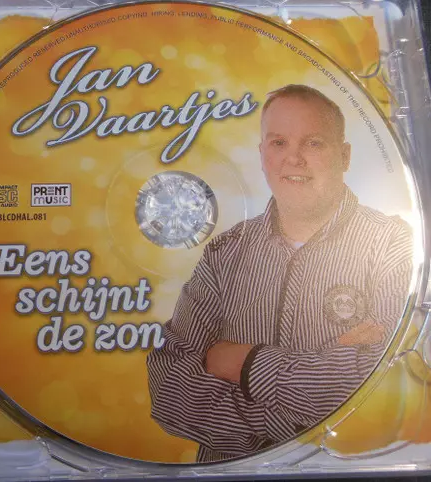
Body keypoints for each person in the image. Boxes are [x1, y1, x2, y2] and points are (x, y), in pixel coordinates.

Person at [146, 84, 413, 463]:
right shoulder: (224, 253)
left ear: (345, 155)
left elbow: (390, 384)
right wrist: (305, 410)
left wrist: (246, 363)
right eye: (279, 143)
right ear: (262, 155)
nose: (294, 159)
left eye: (313, 143)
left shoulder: (393, 244)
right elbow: (169, 389)